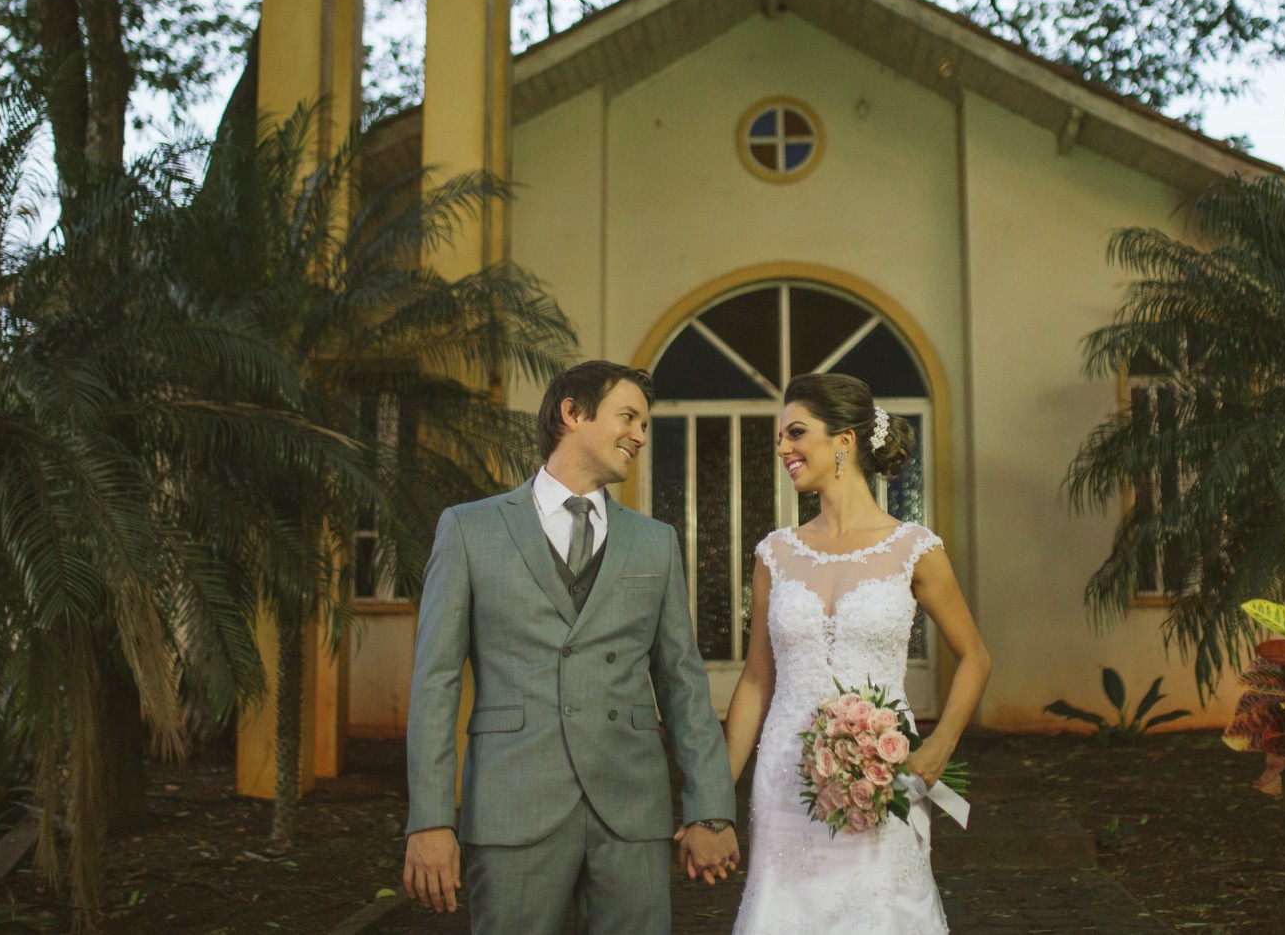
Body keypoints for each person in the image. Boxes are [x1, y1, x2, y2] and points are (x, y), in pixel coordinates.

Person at [401, 360, 740, 933]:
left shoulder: (655, 543)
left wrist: (710, 809)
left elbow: (682, 682)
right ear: (573, 413)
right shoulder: (468, 529)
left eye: (644, 424)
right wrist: (430, 820)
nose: (639, 434)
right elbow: (435, 683)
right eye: (628, 417)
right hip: (513, 806)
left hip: (631, 809)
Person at [725, 372, 993, 932]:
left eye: (796, 433)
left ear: (844, 441)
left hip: (881, 781)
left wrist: (938, 748)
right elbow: (755, 681)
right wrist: (713, 798)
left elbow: (975, 656)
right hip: (783, 783)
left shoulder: (915, 549)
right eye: (780, 437)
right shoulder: (775, 553)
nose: (782, 449)